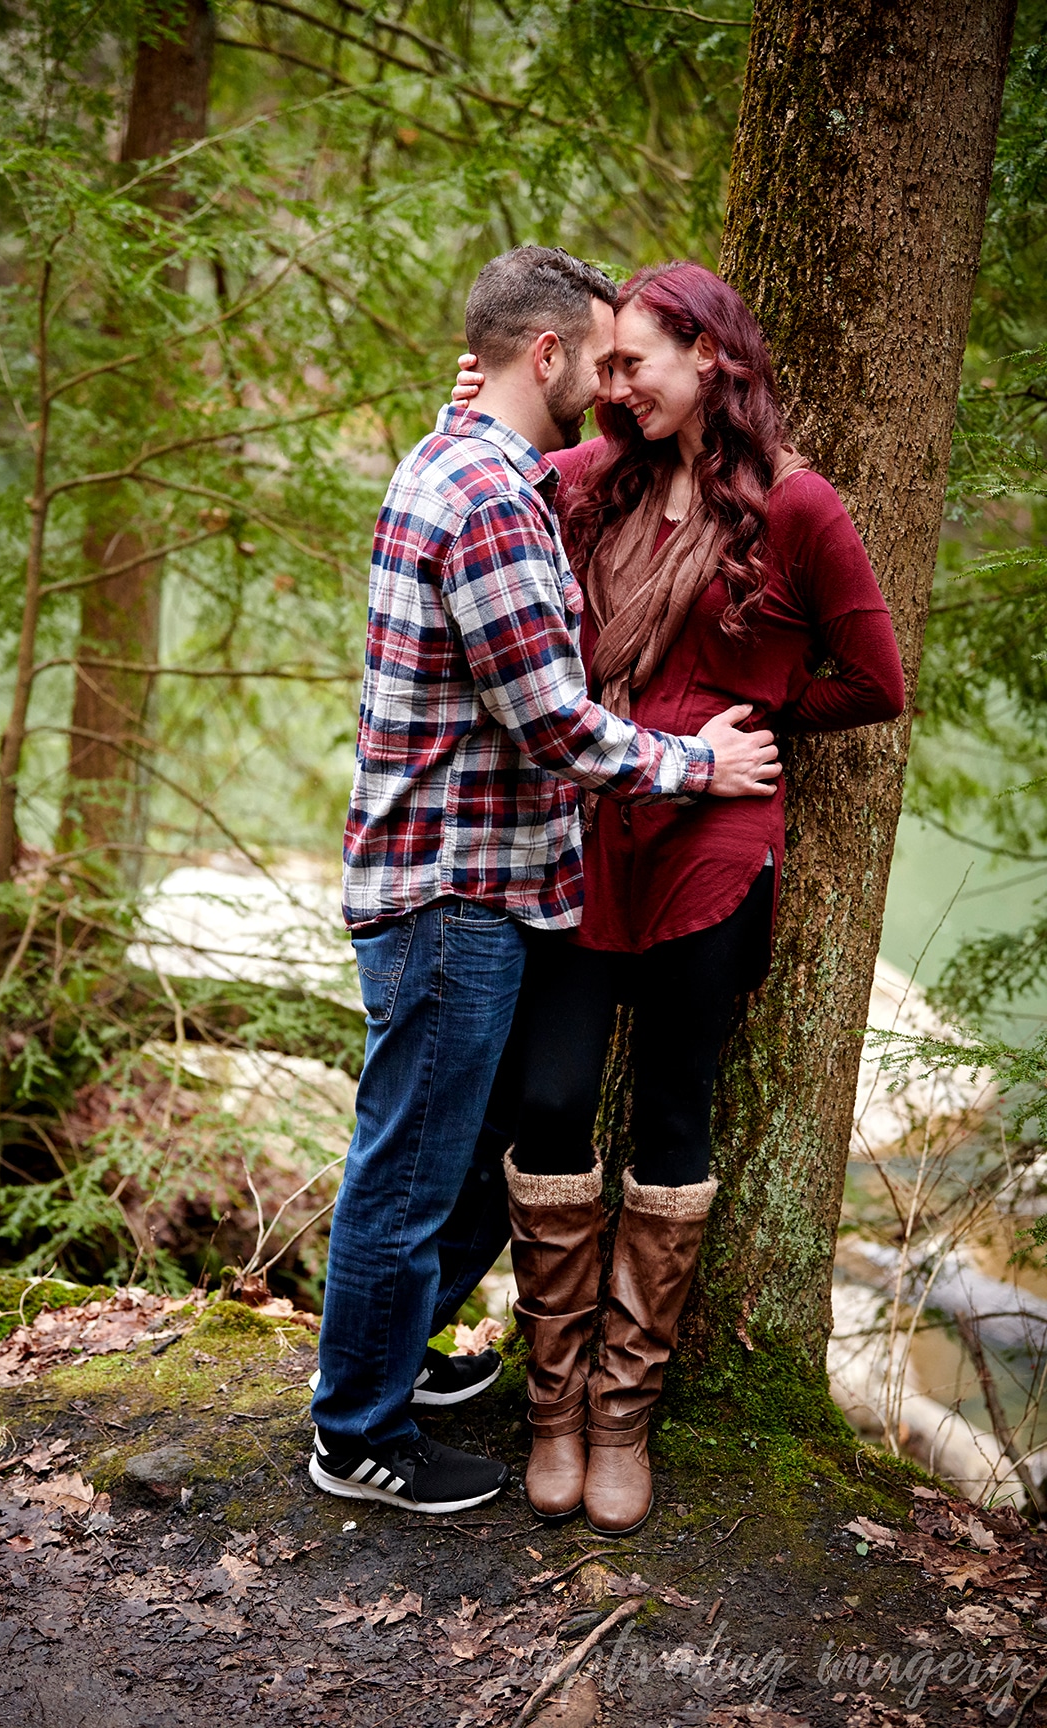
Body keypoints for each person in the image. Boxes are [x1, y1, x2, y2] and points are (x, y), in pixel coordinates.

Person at [308, 247, 782, 1517]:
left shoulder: (466, 460)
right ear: (549, 357)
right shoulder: (493, 500)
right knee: (409, 1173)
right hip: (451, 890)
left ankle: (397, 1370)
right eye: (599, 356)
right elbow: (553, 726)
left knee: (464, 1158)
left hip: (475, 887)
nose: (616, 385)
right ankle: (357, 1431)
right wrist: (697, 761)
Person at [453, 260, 906, 1535]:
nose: (613, 384)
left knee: (671, 1114)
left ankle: (618, 1419)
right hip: (587, 834)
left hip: (715, 849)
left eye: (632, 362)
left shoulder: (796, 511)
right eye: (602, 366)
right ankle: (548, 1402)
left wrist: (758, 715)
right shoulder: (594, 484)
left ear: (706, 355)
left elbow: (874, 677)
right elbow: (479, 481)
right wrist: (470, 401)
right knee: (549, 1099)